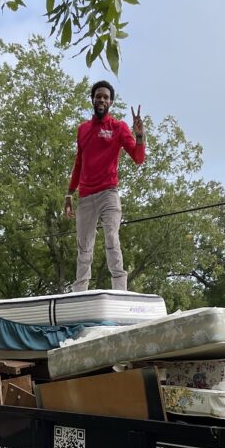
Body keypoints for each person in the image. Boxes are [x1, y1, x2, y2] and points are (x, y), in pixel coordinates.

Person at [64, 81, 145, 292]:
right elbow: (79, 163)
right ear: (93, 99)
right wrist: (69, 194)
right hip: (86, 196)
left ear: (111, 102)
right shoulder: (83, 129)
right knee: (84, 246)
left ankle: (120, 290)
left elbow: (138, 158)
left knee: (111, 237)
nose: (102, 100)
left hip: (108, 193)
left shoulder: (118, 127)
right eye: (98, 96)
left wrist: (139, 135)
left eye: (106, 97)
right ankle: (79, 292)